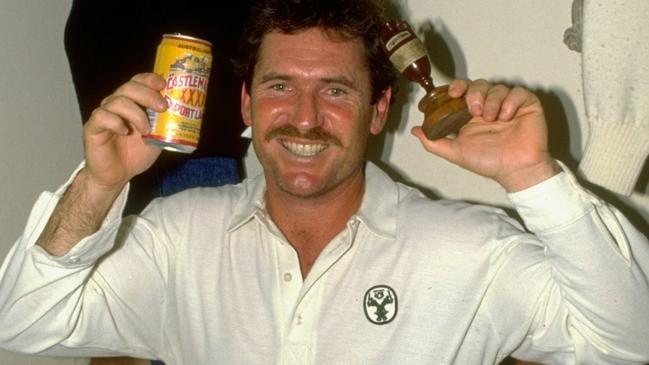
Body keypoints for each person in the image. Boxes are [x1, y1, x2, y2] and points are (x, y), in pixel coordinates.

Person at [1, 0, 648, 364]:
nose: (305, 117)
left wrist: (532, 176)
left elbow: (629, 343)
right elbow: (22, 324)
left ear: (378, 109)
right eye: (282, 86)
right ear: (248, 105)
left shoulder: (471, 248)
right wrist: (97, 183)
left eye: (335, 90)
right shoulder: (178, 235)